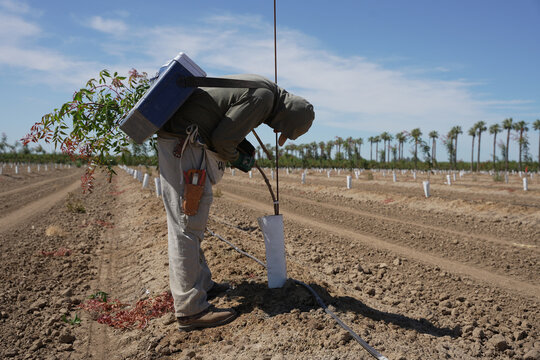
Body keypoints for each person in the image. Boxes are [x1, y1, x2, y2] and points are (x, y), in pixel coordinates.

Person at [156, 74, 315, 331]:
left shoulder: (264, 89)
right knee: (187, 223)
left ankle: (203, 285)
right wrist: (234, 157)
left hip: (183, 139)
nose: (276, 131)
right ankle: (190, 309)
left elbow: (226, 122)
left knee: (190, 222)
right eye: (280, 128)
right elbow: (222, 140)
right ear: (286, 116)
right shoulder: (263, 98)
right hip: (185, 144)